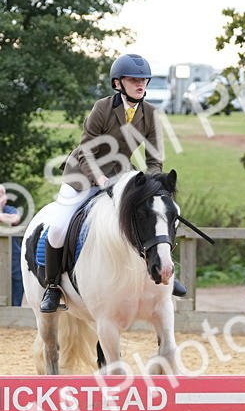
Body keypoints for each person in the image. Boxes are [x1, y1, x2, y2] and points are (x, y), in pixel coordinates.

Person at [39, 53, 185, 313]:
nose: (140, 85)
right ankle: (52, 287)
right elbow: (85, 150)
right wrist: (100, 179)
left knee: (149, 218)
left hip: (120, 177)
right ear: (118, 83)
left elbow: (154, 161)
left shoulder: (151, 114)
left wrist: (153, 186)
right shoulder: (102, 108)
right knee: (59, 228)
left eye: (144, 80)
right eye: (133, 80)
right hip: (81, 176)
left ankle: (162, 271)